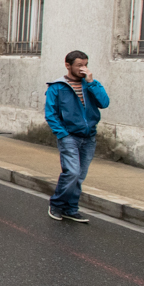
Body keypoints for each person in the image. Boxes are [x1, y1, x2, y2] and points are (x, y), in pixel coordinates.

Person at [44, 51, 109, 222]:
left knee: (80, 175)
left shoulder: (91, 84)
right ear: (68, 65)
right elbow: (51, 114)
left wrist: (92, 83)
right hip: (69, 136)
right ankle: (57, 204)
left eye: (85, 64)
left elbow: (104, 103)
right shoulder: (56, 87)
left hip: (89, 137)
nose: (83, 68)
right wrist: (62, 134)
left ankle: (71, 208)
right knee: (71, 172)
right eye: (79, 65)